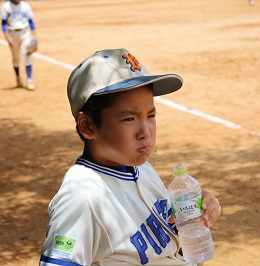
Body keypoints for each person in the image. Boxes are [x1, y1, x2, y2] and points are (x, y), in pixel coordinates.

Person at [39, 48, 222, 265]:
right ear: (87, 125)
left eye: (150, 115)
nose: (145, 132)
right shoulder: (83, 196)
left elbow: (166, 247)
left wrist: (189, 216)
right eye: (129, 119)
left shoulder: (140, 167)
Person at [0, 0, 37, 90]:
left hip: (25, 33)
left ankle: (29, 80)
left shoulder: (25, 6)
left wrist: (34, 36)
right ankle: (18, 78)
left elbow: (31, 22)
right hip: (12, 35)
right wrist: (8, 38)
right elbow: (3, 24)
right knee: (16, 59)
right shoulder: (6, 7)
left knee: (27, 55)